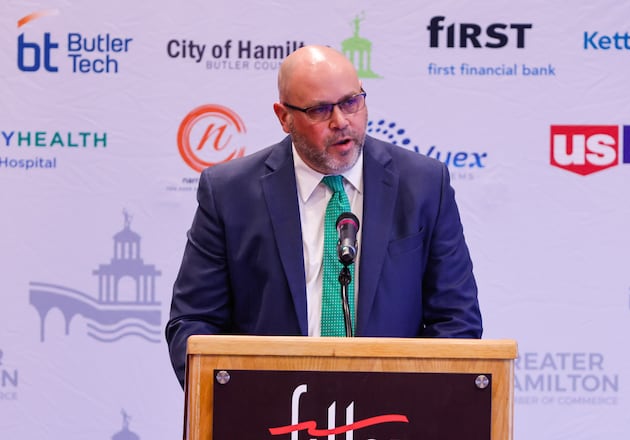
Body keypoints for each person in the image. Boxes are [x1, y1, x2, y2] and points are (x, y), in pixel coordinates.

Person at [165, 45, 482, 388]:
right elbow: (194, 323)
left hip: (393, 414)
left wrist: (422, 409)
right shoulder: (230, 193)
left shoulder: (423, 184)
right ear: (284, 116)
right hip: (269, 415)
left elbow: (456, 320)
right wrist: (237, 405)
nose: (341, 121)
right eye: (319, 109)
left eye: (351, 102)